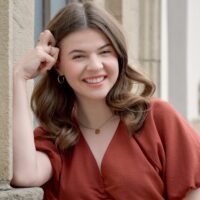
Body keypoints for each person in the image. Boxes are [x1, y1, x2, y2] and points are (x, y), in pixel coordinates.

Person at [12, 1, 200, 200]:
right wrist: (19, 77)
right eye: (79, 56)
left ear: (118, 57)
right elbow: (24, 174)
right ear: (58, 66)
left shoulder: (157, 119)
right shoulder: (54, 138)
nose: (95, 65)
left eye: (105, 52)